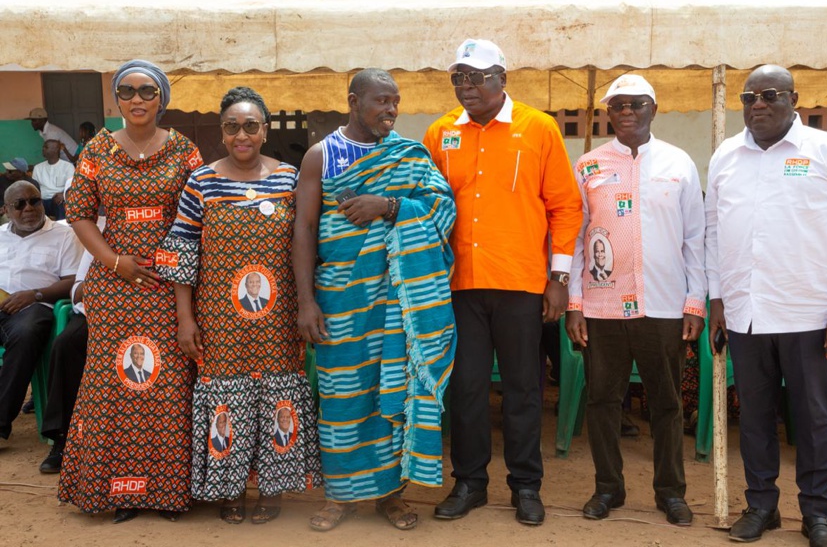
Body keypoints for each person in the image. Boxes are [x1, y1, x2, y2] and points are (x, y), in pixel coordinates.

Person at [706, 65, 827, 547]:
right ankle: (761, 505)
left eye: (770, 95)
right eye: (749, 97)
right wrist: (718, 296)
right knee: (756, 415)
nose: (757, 104)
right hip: (746, 312)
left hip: (809, 314)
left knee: (813, 418)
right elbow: (714, 232)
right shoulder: (726, 155)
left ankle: (817, 513)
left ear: (794, 99)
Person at [424, 39, 582, 526]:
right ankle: (469, 482)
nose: (466, 86)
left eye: (476, 76)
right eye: (458, 78)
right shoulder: (440, 132)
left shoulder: (538, 128)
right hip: (458, 284)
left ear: (502, 78)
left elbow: (565, 206)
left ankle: (525, 486)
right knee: (467, 389)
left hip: (521, 282)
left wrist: (558, 278)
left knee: (522, 390)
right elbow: (426, 201)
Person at [295, 69, 456, 532]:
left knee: (394, 390)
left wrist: (387, 206)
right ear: (353, 101)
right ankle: (341, 496)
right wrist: (307, 301)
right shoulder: (320, 155)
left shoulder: (411, 154)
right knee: (343, 395)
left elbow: (442, 209)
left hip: (396, 299)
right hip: (340, 297)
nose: (390, 110)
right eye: (381, 101)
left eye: (395, 102)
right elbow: (304, 231)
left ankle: (390, 494)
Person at [157, 86, 321, 525]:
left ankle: (273, 488)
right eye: (232, 127)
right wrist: (185, 319)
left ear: (265, 130)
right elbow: (182, 252)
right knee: (225, 402)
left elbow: (307, 243)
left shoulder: (289, 178)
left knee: (277, 397)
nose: (241, 134)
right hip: (218, 321)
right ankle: (229, 489)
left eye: (251, 125)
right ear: (223, 132)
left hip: (279, 320)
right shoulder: (203, 181)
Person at [57, 59, 203, 524]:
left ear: (162, 98)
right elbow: (78, 211)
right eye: (127, 91)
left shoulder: (184, 151)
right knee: (115, 387)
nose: (137, 100)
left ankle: (167, 491)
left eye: (147, 91)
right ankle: (119, 489)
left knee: (170, 386)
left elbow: (197, 218)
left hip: (168, 286)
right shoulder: (97, 149)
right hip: (115, 284)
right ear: (116, 99)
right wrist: (115, 262)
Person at [565, 75, 706, 526]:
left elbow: (696, 239)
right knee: (602, 403)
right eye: (618, 105)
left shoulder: (679, 163)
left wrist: (695, 301)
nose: (627, 111)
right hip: (603, 306)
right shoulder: (588, 164)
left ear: (653, 109)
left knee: (666, 403)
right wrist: (574, 302)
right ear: (609, 113)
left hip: (663, 306)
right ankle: (608, 487)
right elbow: (575, 239)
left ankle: (671, 492)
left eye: (636, 104)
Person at [0, 181, 82, 444]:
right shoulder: (0, 234)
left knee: (26, 333)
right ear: (6, 210)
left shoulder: (63, 235)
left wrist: (34, 295)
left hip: (35, 308)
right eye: (19, 204)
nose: (29, 209)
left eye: (34, 201)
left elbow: (73, 280)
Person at [39, 245, 95, 474]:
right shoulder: (99, 238)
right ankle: (62, 439)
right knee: (66, 344)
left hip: (152, 317)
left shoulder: (162, 231)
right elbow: (76, 292)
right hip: (95, 314)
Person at [31, 140, 75, 220]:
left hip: (58, 200)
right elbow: (33, 188)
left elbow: (72, 187)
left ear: (55, 150)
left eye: (46, 147)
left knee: (61, 203)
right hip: (42, 200)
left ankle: (63, 228)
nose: (43, 149)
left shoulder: (68, 167)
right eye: (43, 147)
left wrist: (63, 195)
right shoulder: (38, 168)